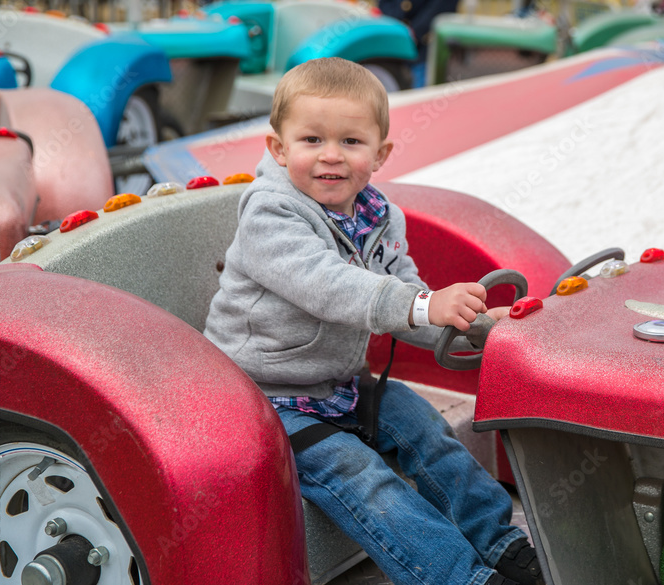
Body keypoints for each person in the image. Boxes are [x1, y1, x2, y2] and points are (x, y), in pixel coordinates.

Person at [203, 57, 543, 585]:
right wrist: (423, 305)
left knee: (426, 429)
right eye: (311, 140)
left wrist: (472, 323)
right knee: (360, 474)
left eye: (351, 142)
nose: (330, 157)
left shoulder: (377, 216)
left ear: (380, 154)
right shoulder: (270, 214)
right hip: (265, 400)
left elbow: (408, 294)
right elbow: (327, 286)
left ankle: (500, 543)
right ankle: (459, 577)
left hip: (338, 384)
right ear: (278, 148)